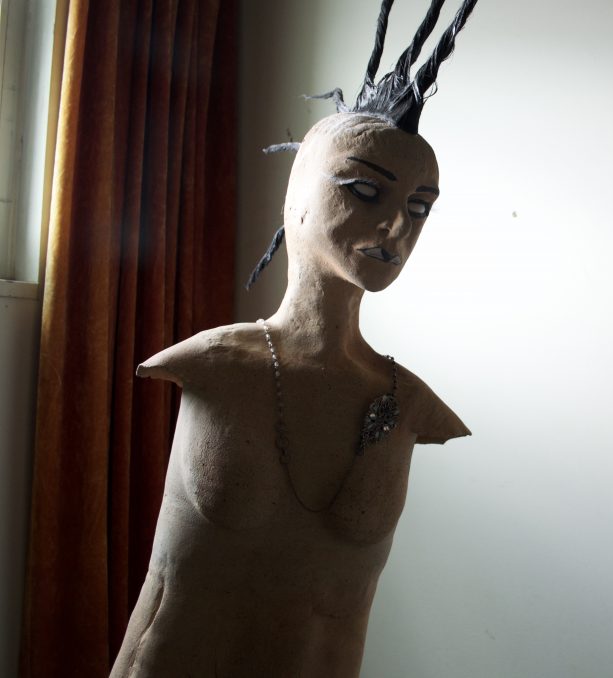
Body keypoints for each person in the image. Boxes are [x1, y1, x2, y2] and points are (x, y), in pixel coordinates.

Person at [111, 2, 479, 676]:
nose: (397, 227)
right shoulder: (212, 364)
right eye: (365, 190)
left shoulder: (411, 406)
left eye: (419, 207)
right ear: (298, 189)